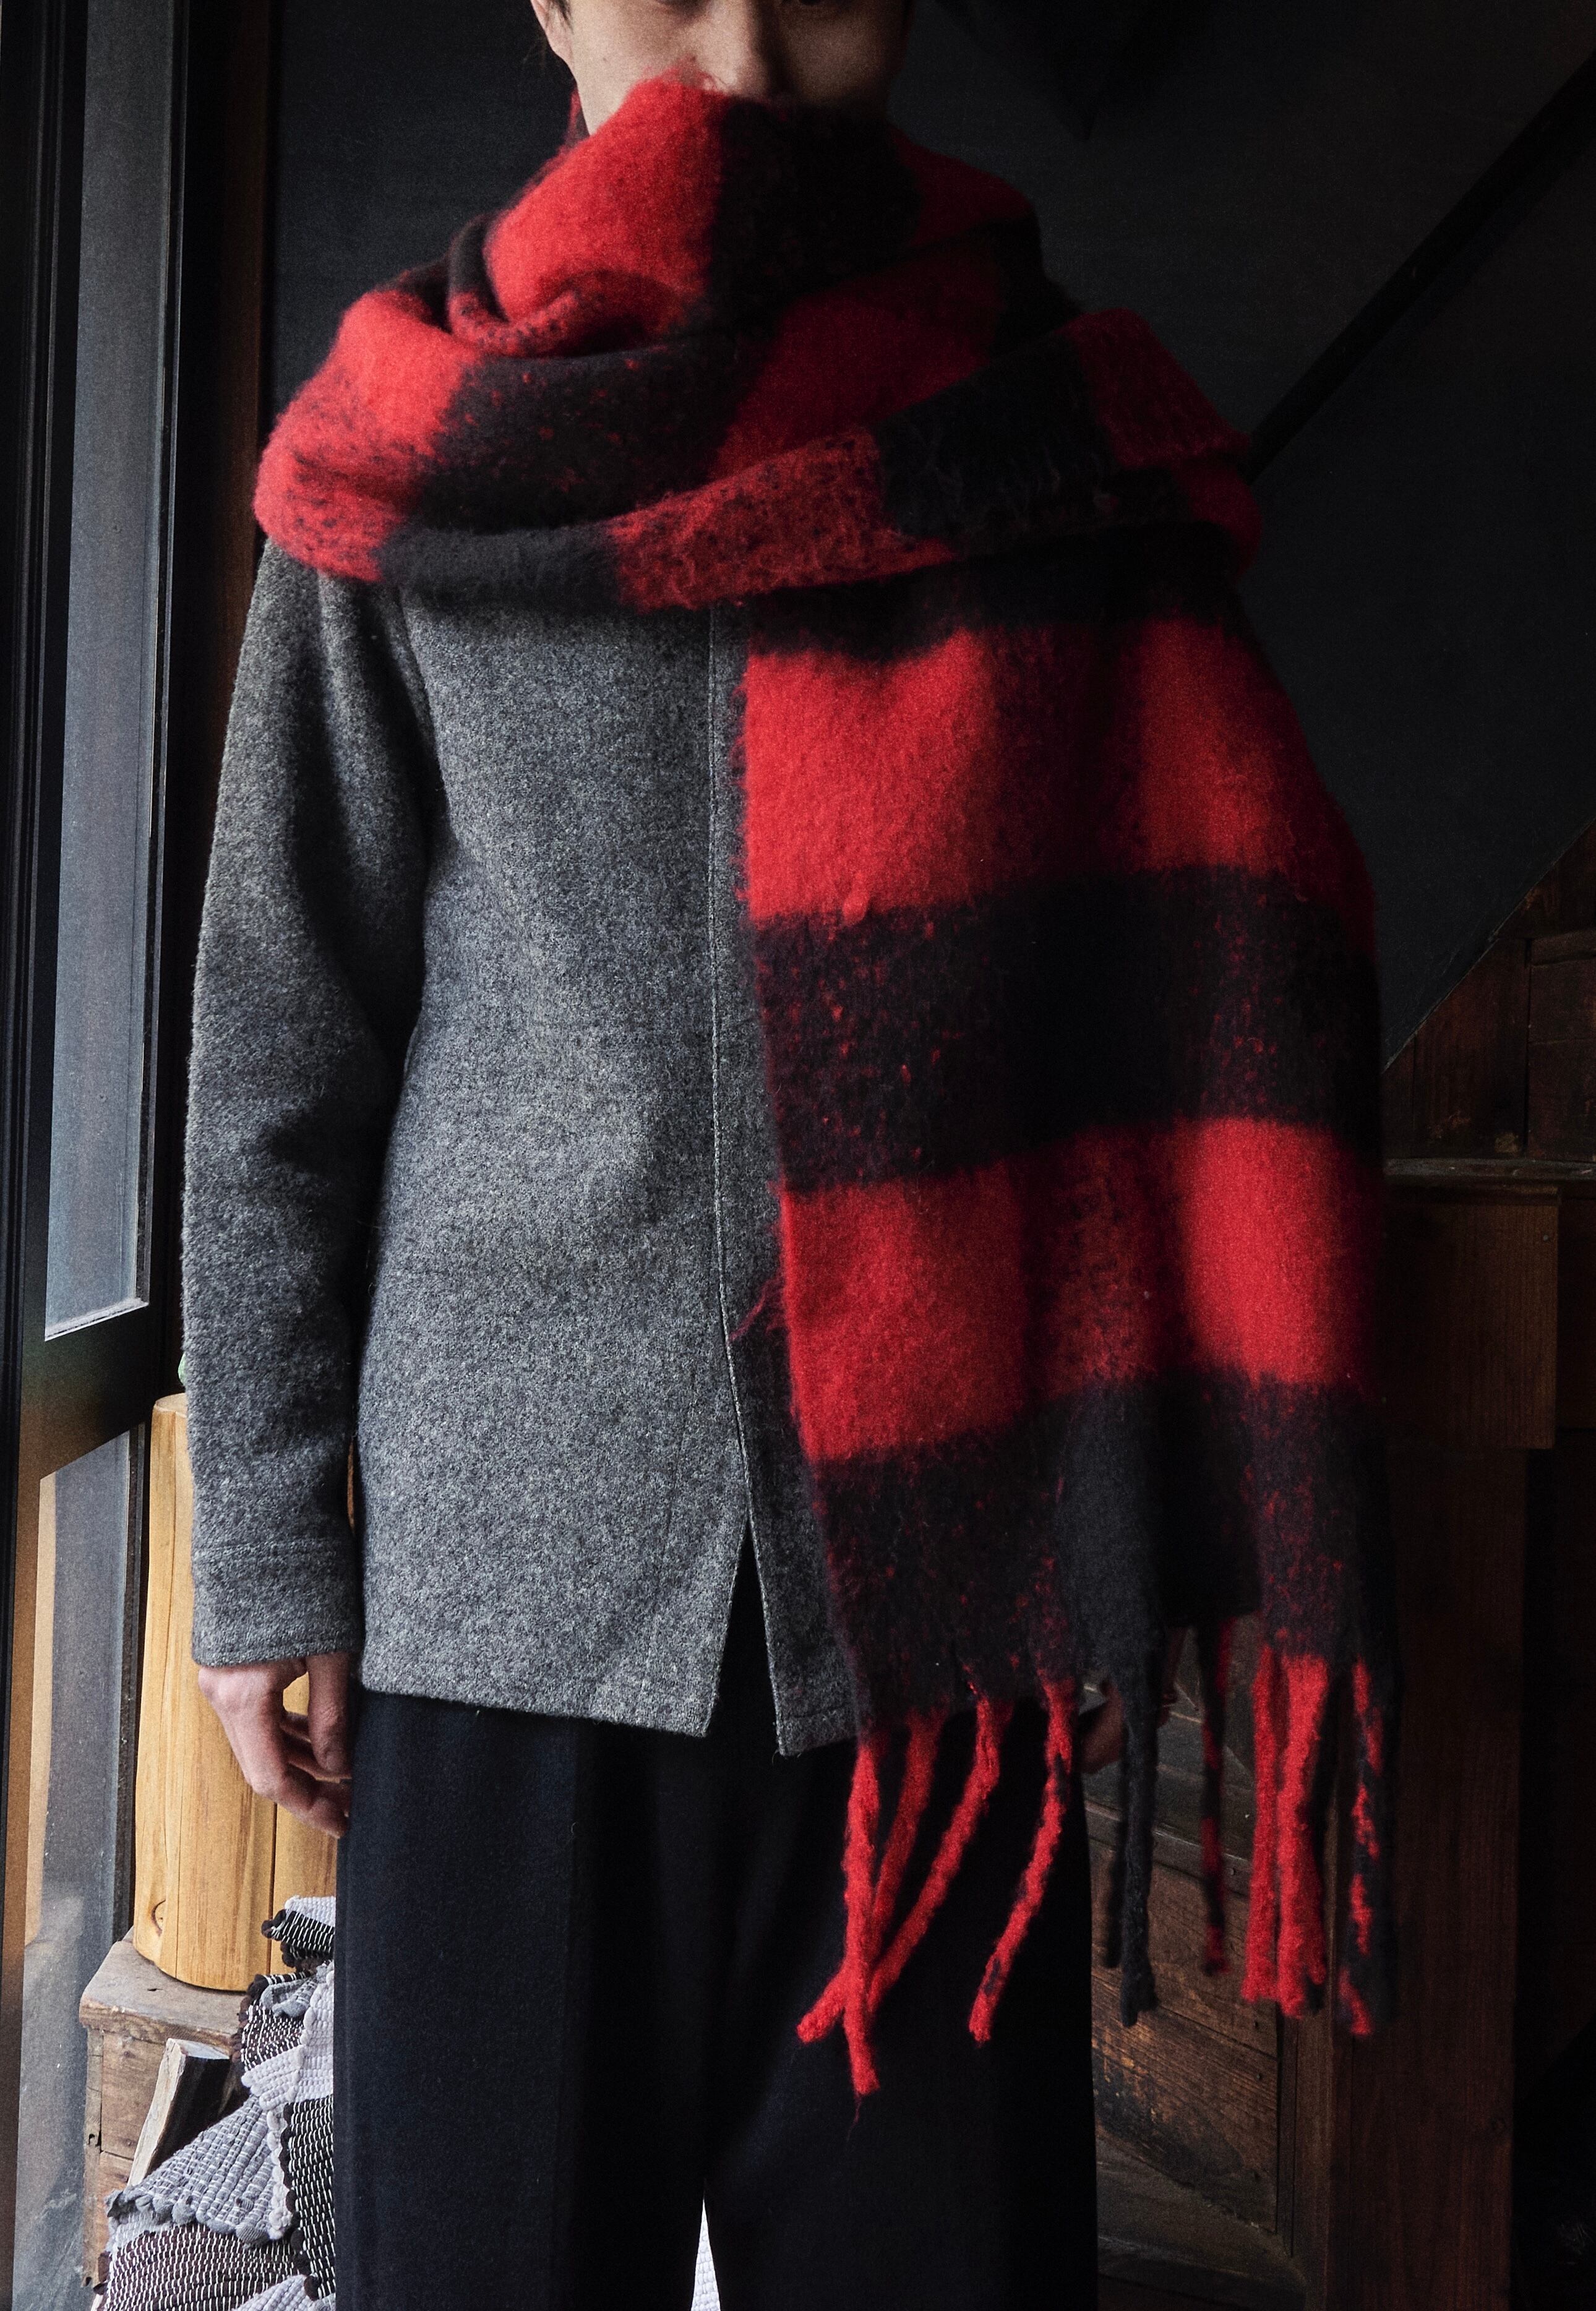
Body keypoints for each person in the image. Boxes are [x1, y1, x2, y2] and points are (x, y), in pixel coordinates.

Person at [185, 1, 1394, 2304]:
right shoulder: (393, 456)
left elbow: (1190, 992)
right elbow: (283, 1028)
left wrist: (1139, 1493)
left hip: (935, 1604)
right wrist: (256, 1544)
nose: (735, 49)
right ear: (549, 2)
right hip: (509, 1587)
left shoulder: (1051, 445)